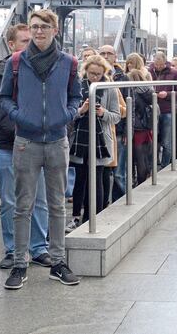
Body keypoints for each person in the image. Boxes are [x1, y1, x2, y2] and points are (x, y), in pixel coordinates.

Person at [0, 9, 82, 289]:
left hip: (57, 140)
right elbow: (4, 99)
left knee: (57, 205)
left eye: (45, 26)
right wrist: (21, 118)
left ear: (55, 30)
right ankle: (20, 263)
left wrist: (67, 115)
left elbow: (76, 96)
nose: (38, 31)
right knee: (23, 205)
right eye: (34, 27)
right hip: (26, 142)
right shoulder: (16, 62)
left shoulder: (69, 63)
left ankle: (57, 262)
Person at [0, 24, 51, 269]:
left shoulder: (47, 68)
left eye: (32, 40)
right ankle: (13, 249)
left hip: (39, 142)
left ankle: (38, 247)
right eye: (24, 41)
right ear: (11, 45)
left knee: (39, 199)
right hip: (9, 144)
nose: (30, 44)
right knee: (10, 200)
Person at [68, 55, 121, 228]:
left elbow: (117, 116)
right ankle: (76, 216)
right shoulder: (77, 86)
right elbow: (69, 115)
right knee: (80, 179)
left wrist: (102, 113)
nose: (95, 77)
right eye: (91, 74)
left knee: (97, 179)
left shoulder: (110, 88)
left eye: (98, 74)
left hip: (100, 141)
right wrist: (82, 110)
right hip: (79, 140)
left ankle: (94, 217)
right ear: (85, 71)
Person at [100, 44, 129, 204]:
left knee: (118, 173)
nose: (105, 56)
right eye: (102, 53)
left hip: (117, 131)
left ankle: (119, 202)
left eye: (108, 53)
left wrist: (126, 132)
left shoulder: (123, 78)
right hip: (98, 132)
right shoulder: (90, 77)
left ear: (115, 56)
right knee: (100, 173)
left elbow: (128, 107)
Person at [148, 52, 177, 168]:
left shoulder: (174, 73)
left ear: (165, 62)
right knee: (153, 140)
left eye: (160, 65)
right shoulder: (149, 71)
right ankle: (154, 164)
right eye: (156, 64)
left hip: (167, 110)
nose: (157, 67)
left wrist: (167, 94)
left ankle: (164, 165)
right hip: (152, 109)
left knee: (167, 141)